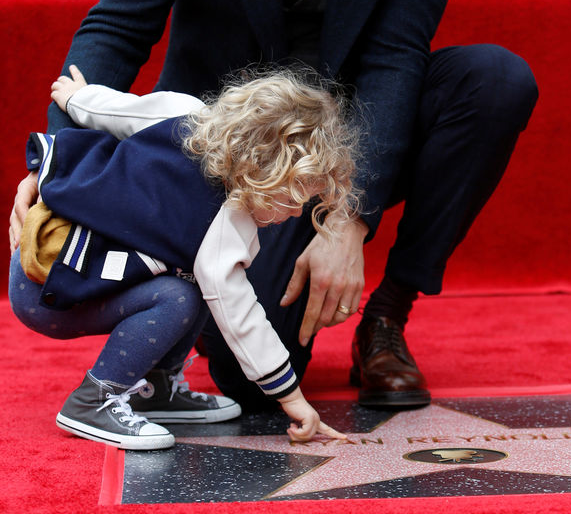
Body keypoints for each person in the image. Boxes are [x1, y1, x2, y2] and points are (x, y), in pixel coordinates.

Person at [9, 0, 538, 411]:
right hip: (227, 152)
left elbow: (395, 55)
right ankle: (200, 297)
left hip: (347, 130)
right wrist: (61, 170)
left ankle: (388, 317)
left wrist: (350, 218)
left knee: (493, 81)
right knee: (248, 380)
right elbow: (118, 28)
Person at [10, 65, 356, 449]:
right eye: (293, 199)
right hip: (51, 291)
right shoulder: (227, 223)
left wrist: (77, 97)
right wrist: (292, 398)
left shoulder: (187, 114)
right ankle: (93, 400)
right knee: (183, 296)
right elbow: (240, 316)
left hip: (48, 248)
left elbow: (118, 110)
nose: (295, 214)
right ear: (264, 169)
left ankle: (156, 388)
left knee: (194, 279)